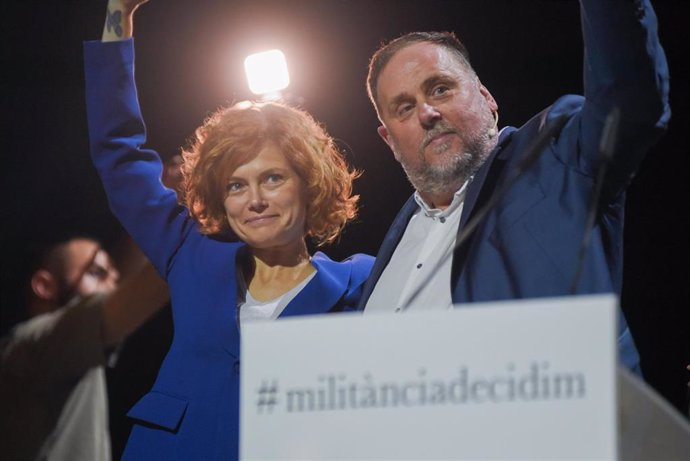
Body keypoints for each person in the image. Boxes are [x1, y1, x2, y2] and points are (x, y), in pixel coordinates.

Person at [83, 1, 373, 459]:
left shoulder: (362, 282)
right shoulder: (190, 255)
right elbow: (119, 155)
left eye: (272, 178)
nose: (253, 200)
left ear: (310, 183)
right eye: (236, 185)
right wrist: (119, 14)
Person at [359, 0, 670, 375]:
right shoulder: (389, 249)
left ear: (487, 99)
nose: (427, 114)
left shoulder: (554, 157)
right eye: (404, 108)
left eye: (440, 89)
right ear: (388, 141)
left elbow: (628, 96)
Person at [0, 235, 168, 460]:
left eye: (113, 274)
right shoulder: (31, 342)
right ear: (45, 285)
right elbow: (133, 295)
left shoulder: (73, 351)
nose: (112, 282)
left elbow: (126, 283)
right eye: (97, 272)